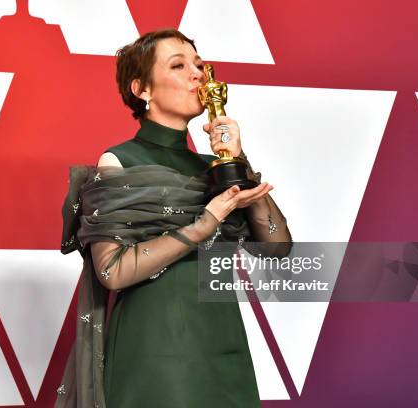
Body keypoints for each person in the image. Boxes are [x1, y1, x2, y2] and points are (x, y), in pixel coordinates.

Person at [56, 29, 292, 408]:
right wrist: (205, 222)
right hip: (156, 350)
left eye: (198, 65)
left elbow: (277, 247)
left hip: (224, 346)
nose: (197, 74)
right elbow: (112, 271)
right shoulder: (119, 161)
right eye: (178, 66)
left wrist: (237, 157)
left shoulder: (213, 166)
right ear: (142, 89)